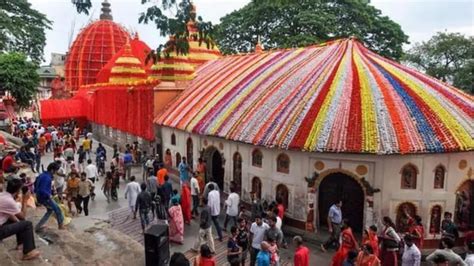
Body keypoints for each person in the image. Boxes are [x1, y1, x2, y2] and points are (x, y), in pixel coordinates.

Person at [0, 179, 40, 260]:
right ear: (18, 191)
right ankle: (28, 252)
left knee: (20, 222)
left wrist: (19, 225)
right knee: (27, 224)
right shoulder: (9, 201)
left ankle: (20, 244)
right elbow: (22, 215)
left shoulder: (2, 195)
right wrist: (25, 200)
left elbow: (10, 214)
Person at [34, 162, 65, 232]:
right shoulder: (47, 178)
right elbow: (42, 190)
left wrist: (50, 191)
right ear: (52, 170)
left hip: (39, 196)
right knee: (58, 210)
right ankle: (61, 225)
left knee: (50, 211)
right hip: (45, 197)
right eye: (56, 170)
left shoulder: (42, 175)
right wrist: (49, 195)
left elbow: (36, 184)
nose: (56, 172)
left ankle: (38, 226)